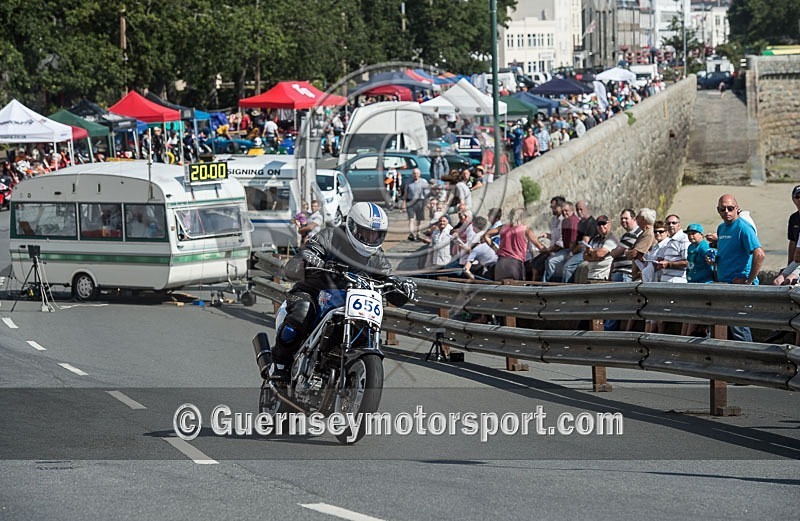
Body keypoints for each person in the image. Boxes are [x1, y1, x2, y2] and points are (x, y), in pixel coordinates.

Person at [270, 202, 416, 383]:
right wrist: (312, 259)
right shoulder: (331, 235)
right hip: (313, 290)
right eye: (366, 233)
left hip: (349, 300)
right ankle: (280, 363)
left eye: (376, 235)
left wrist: (401, 286)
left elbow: (387, 278)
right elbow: (305, 255)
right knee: (302, 312)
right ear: (352, 227)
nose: (370, 239)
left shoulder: (377, 256)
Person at [707, 194, 765, 342]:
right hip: (724, 283)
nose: (727, 211)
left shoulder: (743, 228)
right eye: (723, 209)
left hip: (739, 284)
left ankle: (748, 358)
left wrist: (749, 281)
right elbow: (727, 253)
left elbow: (760, 254)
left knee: (739, 326)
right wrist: (714, 260)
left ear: (737, 209)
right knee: (726, 326)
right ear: (718, 210)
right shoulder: (721, 228)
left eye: (730, 208)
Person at [485, 208, 543, 281]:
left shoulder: (502, 227)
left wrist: (496, 249)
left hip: (501, 263)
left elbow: (486, 235)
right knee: (518, 289)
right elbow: (540, 246)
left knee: (501, 290)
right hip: (515, 264)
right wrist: (550, 251)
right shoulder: (525, 230)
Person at [573, 215, 619, 284]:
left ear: (609, 224)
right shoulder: (594, 239)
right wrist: (595, 257)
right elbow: (585, 256)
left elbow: (600, 254)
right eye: (599, 224)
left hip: (602, 277)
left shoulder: (611, 238)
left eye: (603, 224)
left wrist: (591, 252)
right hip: (591, 275)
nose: (601, 226)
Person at [654, 214, 690, 283]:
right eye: (668, 223)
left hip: (677, 283)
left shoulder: (683, 239)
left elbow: (687, 262)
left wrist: (668, 264)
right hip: (666, 282)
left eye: (674, 223)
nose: (671, 225)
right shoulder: (670, 241)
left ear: (679, 225)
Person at [403, 168, 429, 241]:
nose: (415, 175)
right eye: (414, 173)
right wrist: (403, 203)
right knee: (411, 218)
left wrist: (427, 203)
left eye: (417, 173)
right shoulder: (408, 182)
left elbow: (426, 193)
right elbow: (405, 193)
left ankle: (418, 232)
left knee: (419, 219)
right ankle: (411, 233)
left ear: (419, 174)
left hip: (420, 201)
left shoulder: (423, 182)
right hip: (410, 201)